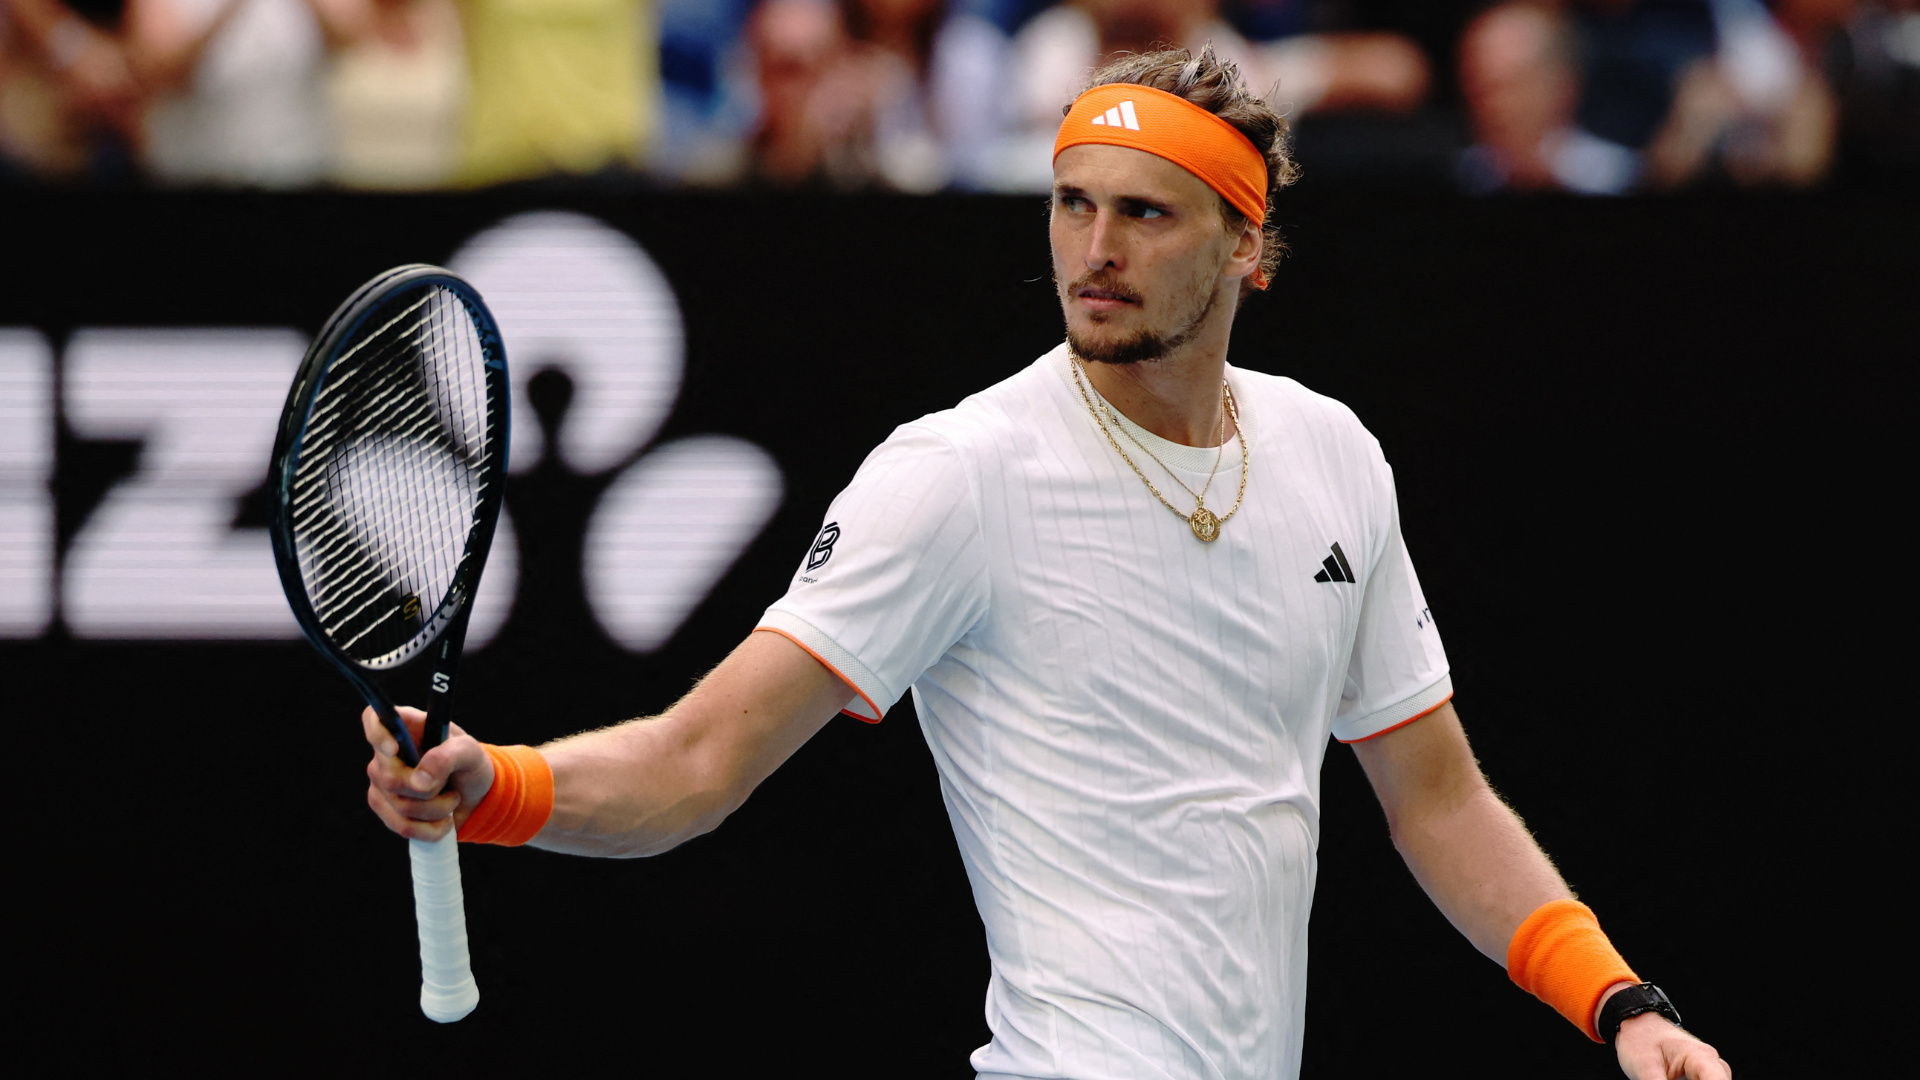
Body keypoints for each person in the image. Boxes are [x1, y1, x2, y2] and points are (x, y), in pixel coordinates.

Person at [363, 44, 1734, 1080]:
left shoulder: (1332, 457)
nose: (1095, 250)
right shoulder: (959, 475)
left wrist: (1617, 1002)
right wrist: (496, 786)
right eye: (1073, 204)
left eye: (1147, 215)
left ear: (1248, 248)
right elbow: (694, 764)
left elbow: (1435, 802)